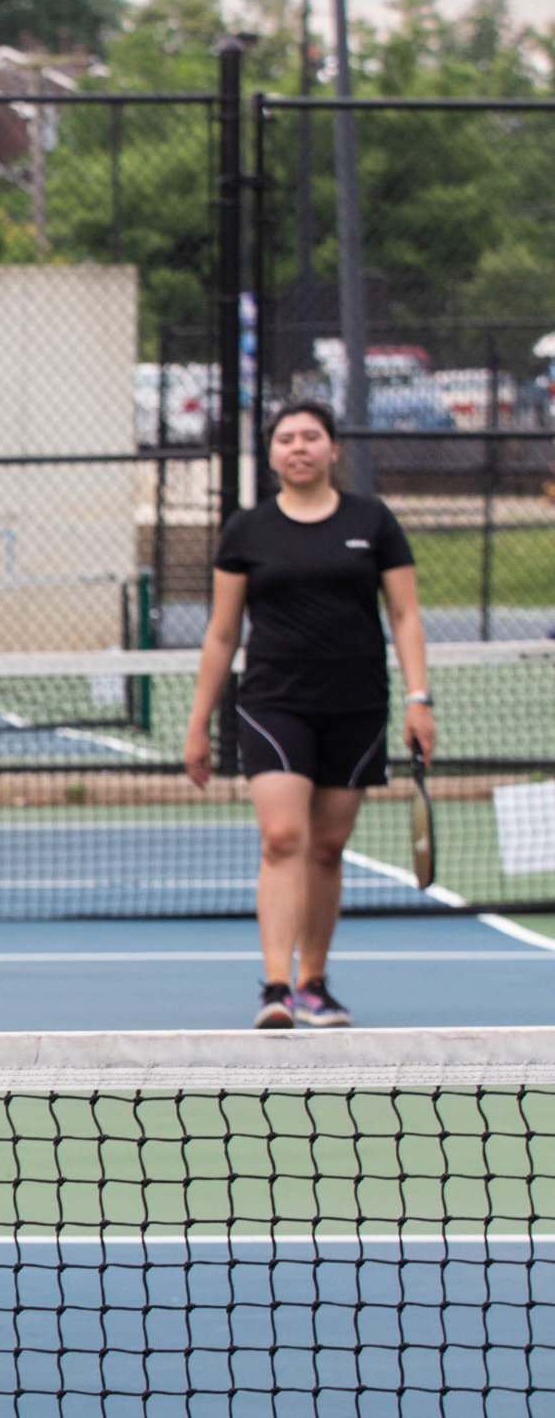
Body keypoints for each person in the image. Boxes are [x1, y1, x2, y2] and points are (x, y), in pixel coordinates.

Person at [183, 397, 435, 1029]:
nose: (298, 447)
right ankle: (274, 988)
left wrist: (418, 698)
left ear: (333, 449)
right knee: (282, 838)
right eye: (286, 438)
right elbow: (221, 632)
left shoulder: (372, 521)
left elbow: (404, 616)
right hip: (274, 702)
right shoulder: (247, 531)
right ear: (271, 455)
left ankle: (314, 984)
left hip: (356, 704)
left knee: (326, 848)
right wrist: (197, 722)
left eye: (311, 436)